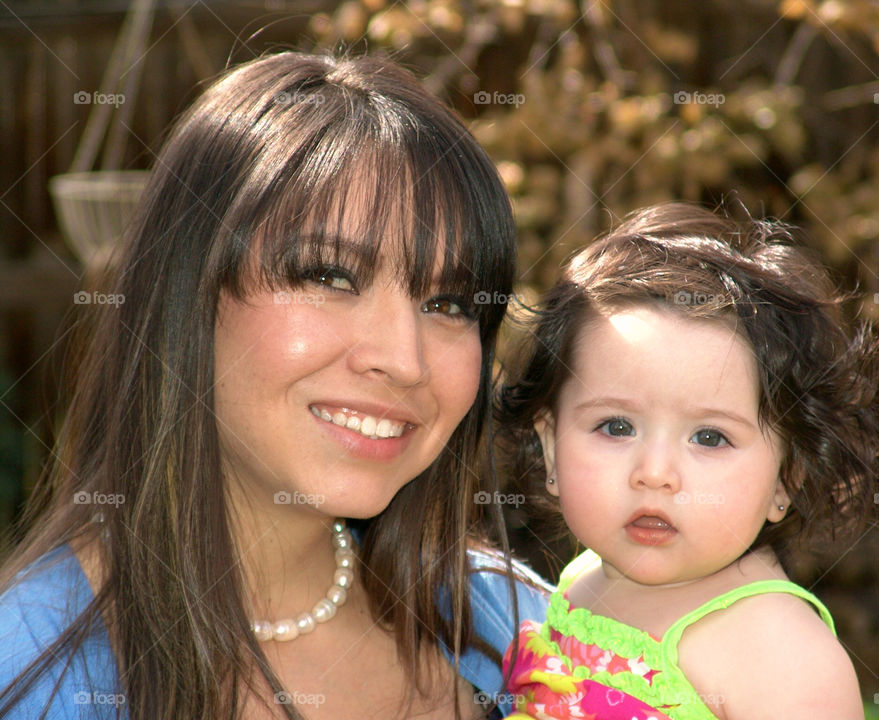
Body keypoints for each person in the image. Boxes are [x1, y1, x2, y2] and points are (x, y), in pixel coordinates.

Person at [0, 51, 548, 720]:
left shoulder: (515, 628)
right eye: (329, 277)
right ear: (184, 298)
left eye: (450, 304)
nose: (405, 361)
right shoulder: (34, 669)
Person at [495, 203, 879, 719]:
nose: (655, 473)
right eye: (616, 427)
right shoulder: (583, 578)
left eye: (709, 437)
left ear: (786, 479)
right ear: (550, 445)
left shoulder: (778, 651)